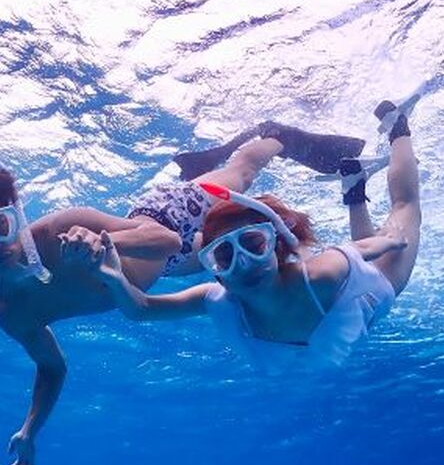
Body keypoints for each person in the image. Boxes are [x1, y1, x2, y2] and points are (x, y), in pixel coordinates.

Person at [0, 126, 367, 465]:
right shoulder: (12, 313)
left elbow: (165, 239)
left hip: (166, 217)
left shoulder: (59, 229)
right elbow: (51, 367)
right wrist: (30, 429)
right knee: (225, 253)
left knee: (241, 176)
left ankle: (273, 137)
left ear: (15, 214)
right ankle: (196, 167)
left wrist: (104, 241)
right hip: (174, 265)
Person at [73, 94, 422, 367]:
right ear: (214, 268)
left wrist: (389, 241)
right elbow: (141, 309)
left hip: (370, 289)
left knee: (405, 207)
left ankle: (397, 128)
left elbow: (355, 252)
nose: (243, 263)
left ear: (274, 247)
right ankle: (354, 187)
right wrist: (114, 278)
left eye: (253, 244)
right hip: (327, 296)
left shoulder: (320, 275)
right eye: (225, 255)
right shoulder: (219, 299)